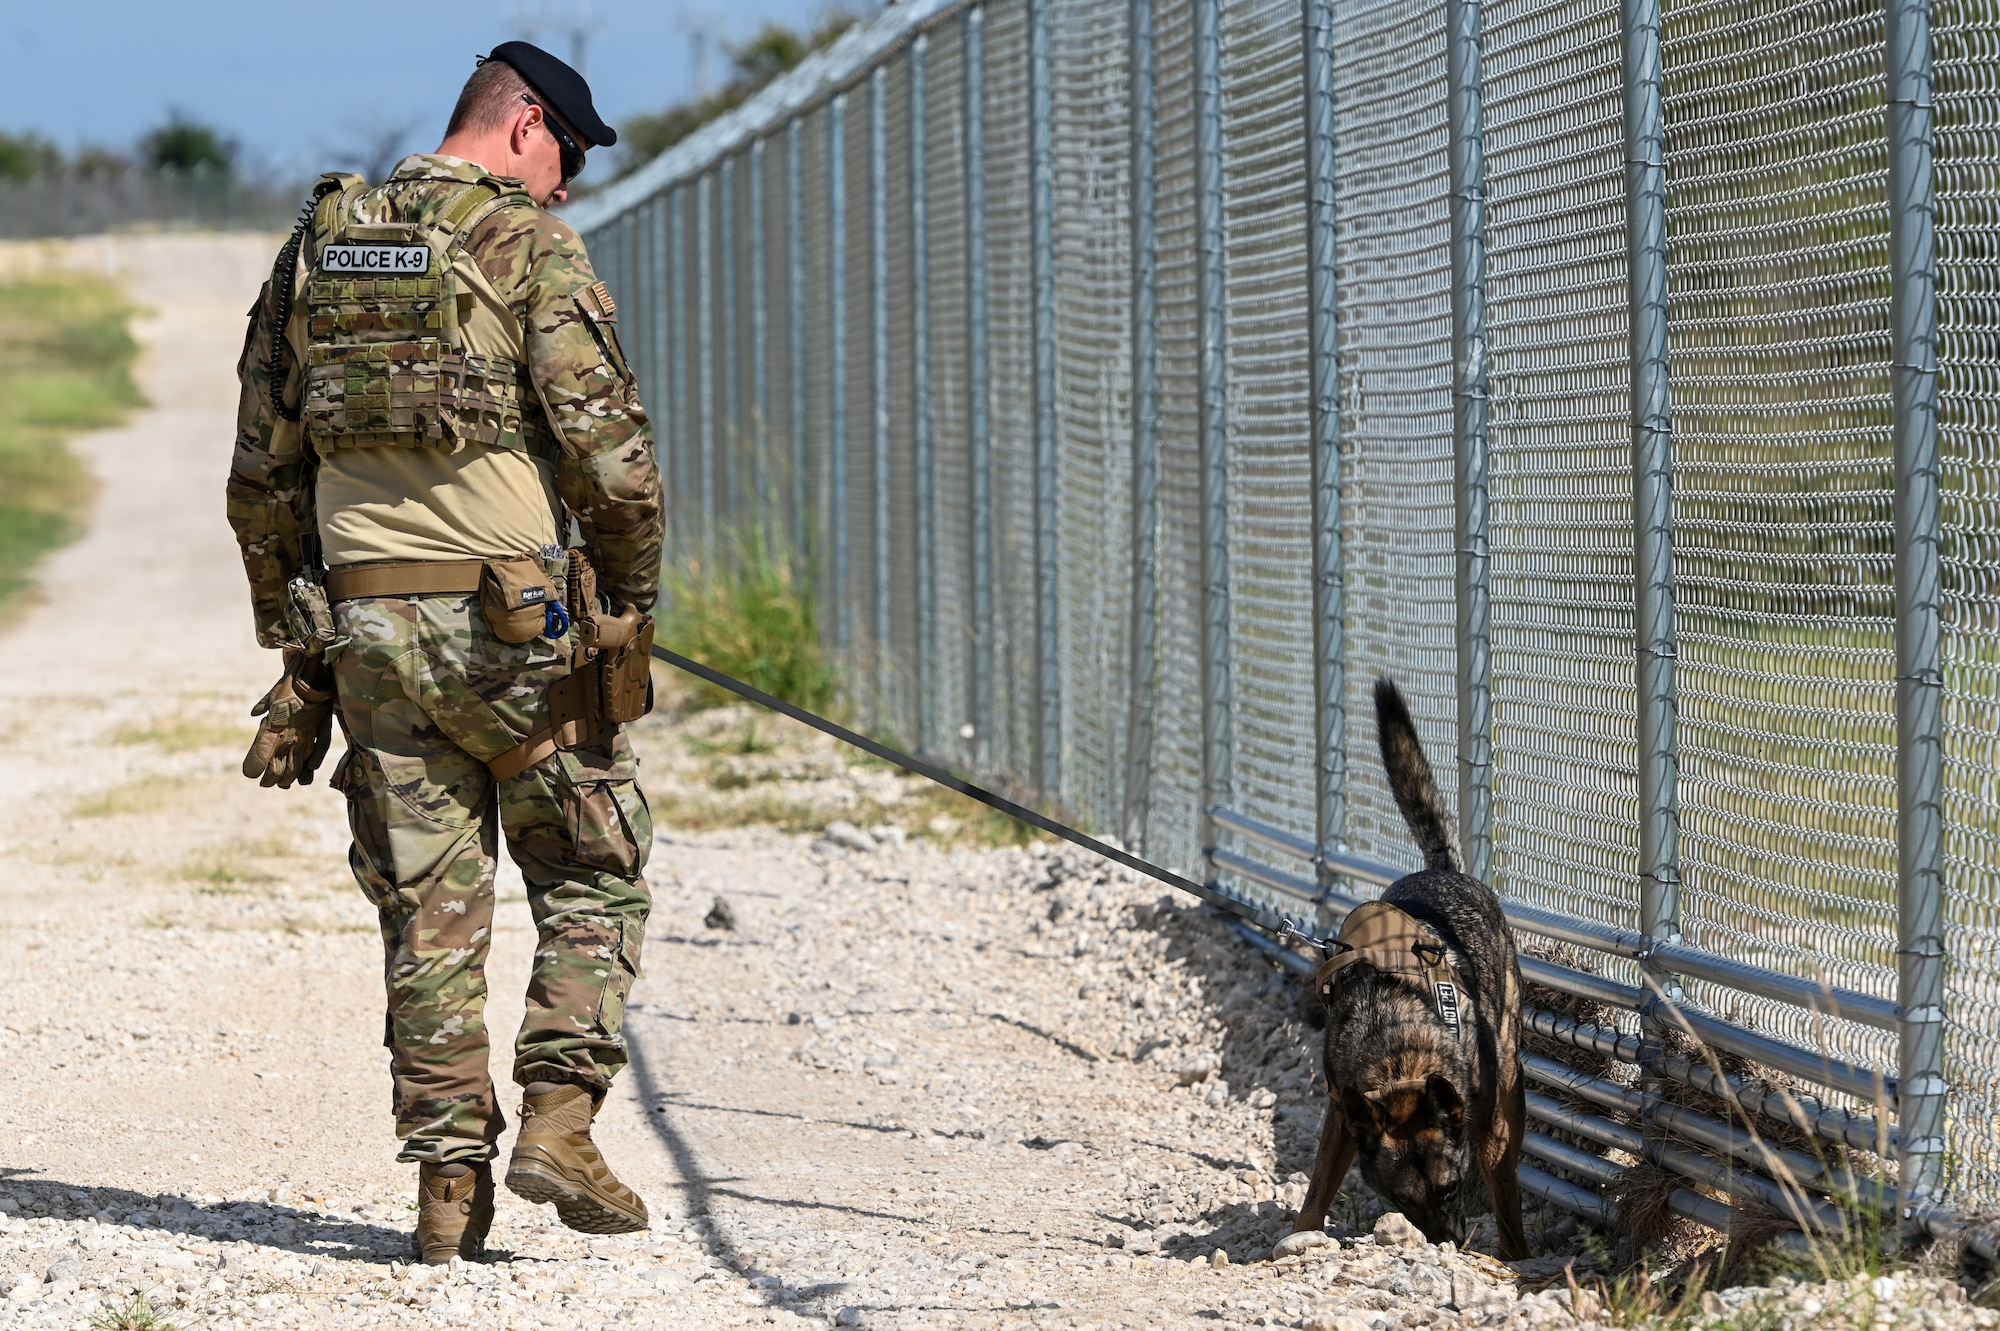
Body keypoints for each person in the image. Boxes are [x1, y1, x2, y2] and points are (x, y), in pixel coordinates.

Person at [225, 41, 665, 1263]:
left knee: (427, 909)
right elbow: (612, 460)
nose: (566, 185)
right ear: (525, 122)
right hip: (517, 628)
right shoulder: (526, 243)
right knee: (591, 867)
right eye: (567, 154)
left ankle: (444, 1198)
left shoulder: (315, 245)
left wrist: (303, 659)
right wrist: (627, 605)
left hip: (369, 630)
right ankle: (560, 1124)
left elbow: (261, 477)